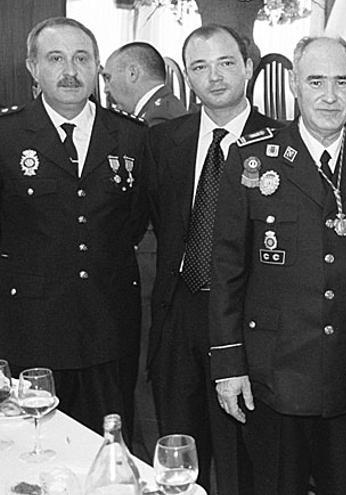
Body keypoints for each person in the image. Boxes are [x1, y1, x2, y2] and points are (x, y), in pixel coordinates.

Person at [209, 35, 346, 495]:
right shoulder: (252, 157)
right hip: (274, 373)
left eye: (342, 82)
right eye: (316, 81)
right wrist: (228, 364)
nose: (330, 95)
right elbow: (227, 269)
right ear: (294, 86)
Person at [145, 24, 279, 494]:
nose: (214, 77)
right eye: (200, 67)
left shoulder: (281, 145)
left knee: (245, 461)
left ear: (248, 67)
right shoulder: (163, 142)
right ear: (187, 75)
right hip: (179, 315)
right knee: (180, 456)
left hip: (249, 322)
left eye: (225, 63)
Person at [0, 17, 150, 436]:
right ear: (32, 67)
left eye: (81, 58)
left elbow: (134, 221)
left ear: (96, 66)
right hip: (31, 327)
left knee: (109, 445)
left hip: (109, 324)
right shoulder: (7, 136)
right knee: (34, 449)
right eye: (56, 58)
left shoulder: (132, 137)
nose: (70, 70)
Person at [103, 42, 187, 126]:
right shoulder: (160, 109)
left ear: (132, 73)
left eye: (108, 78)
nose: (105, 89)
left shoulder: (158, 118)